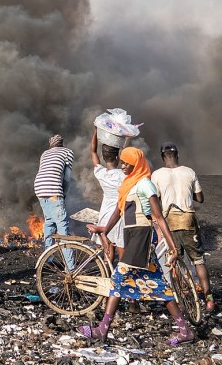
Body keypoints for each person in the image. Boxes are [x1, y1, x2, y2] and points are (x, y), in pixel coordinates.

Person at [84, 147, 194, 345]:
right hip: (132, 235)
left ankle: (102, 330)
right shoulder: (128, 184)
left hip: (142, 237)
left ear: (137, 164)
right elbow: (118, 212)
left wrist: (172, 247)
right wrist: (104, 230)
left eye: (128, 163)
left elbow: (158, 217)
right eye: (123, 162)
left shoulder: (145, 184)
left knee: (117, 280)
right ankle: (185, 331)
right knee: (159, 286)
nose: (124, 166)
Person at [152, 142, 213, 312]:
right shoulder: (189, 172)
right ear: (177, 155)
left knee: (174, 260)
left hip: (168, 222)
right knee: (198, 261)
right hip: (188, 220)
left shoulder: (157, 175)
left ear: (163, 157)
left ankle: (182, 297)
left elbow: (154, 199)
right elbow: (200, 198)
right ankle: (209, 299)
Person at [34, 133, 74, 268]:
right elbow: (67, 178)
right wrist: (63, 194)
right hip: (53, 189)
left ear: (51, 145)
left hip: (39, 187)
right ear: (62, 144)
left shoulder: (44, 153)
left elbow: (44, 171)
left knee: (50, 223)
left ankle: (48, 260)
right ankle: (71, 267)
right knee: (63, 227)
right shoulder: (68, 152)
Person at [88, 129, 124, 261]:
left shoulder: (101, 173)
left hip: (104, 215)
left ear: (103, 157)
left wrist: (95, 131)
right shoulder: (123, 175)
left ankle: (107, 276)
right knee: (121, 251)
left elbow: (92, 151)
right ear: (118, 157)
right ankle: (121, 278)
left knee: (107, 252)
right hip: (118, 217)